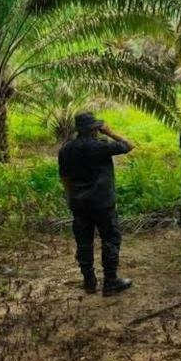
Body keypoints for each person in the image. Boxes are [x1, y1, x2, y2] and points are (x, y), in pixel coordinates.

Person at [58, 112, 134, 296]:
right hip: (102, 203)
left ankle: (89, 282)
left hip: (79, 203)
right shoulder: (100, 146)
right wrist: (109, 132)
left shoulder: (66, 149)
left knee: (84, 242)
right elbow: (128, 145)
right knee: (110, 239)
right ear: (94, 129)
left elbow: (65, 177)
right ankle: (110, 282)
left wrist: (70, 198)